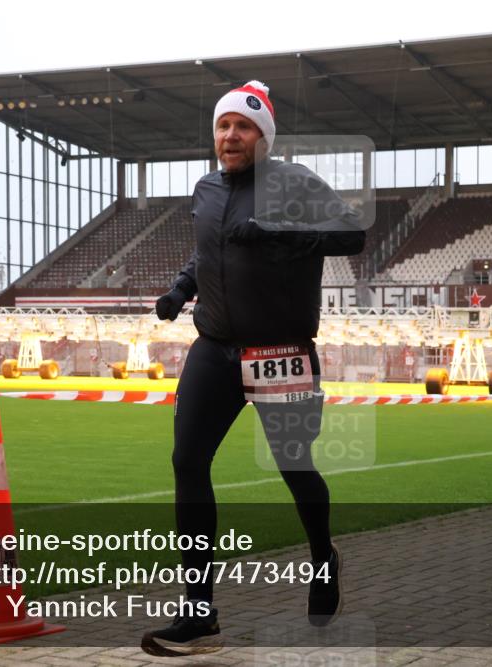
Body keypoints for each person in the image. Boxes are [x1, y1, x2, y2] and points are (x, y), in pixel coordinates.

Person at [142, 80, 366, 657]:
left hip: (279, 354)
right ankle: (198, 615)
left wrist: (276, 232)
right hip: (213, 349)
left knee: (294, 467)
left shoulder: (293, 183)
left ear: (263, 134)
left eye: (243, 126)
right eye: (222, 126)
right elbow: (206, 249)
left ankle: (323, 559)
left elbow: (351, 234)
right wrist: (179, 289)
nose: (230, 135)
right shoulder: (206, 188)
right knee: (187, 463)